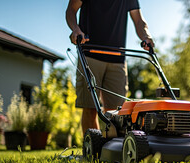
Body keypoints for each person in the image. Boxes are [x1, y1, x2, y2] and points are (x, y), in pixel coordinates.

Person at [66, 0, 154, 135]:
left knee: (118, 113)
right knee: (90, 108)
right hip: (90, 54)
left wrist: (146, 36)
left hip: (117, 58)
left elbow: (138, 20)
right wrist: (76, 30)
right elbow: (71, 10)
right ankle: (93, 152)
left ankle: (113, 152)